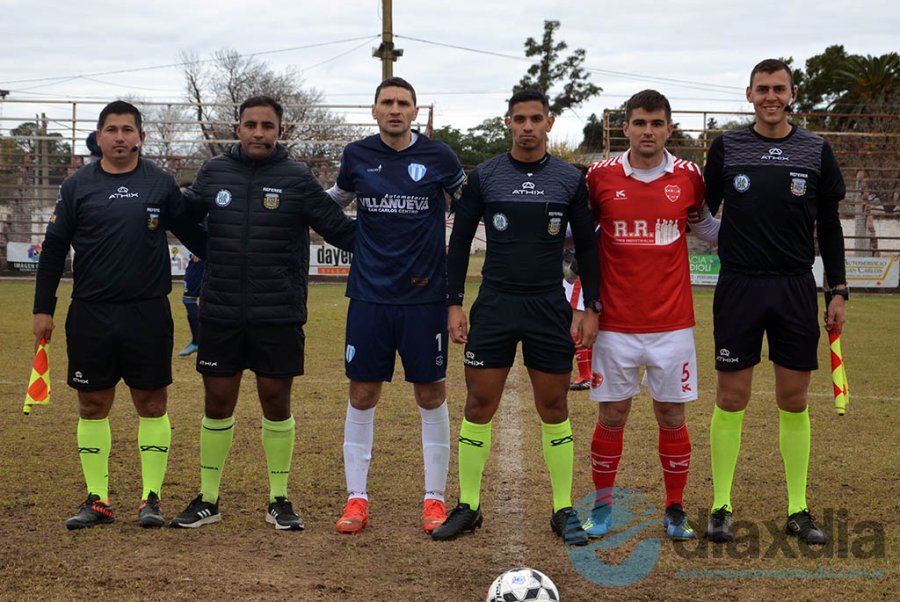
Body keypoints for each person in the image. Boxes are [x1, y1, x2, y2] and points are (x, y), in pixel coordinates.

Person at [169, 96, 356, 531]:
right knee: (217, 403)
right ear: (238, 128)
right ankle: (208, 499)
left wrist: (400, 240)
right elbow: (184, 216)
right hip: (221, 310)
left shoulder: (296, 178)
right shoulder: (215, 172)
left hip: (278, 312)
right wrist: (206, 249)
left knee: (276, 403)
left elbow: (341, 230)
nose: (258, 132)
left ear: (279, 131)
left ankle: (278, 499)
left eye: (267, 126)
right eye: (251, 124)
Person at [431, 89, 600, 545]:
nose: (527, 126)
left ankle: (563, 509)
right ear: (507, 122)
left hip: (548, 305)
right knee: (478, 404)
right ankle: (468, 505)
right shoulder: (485, 176)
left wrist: (590, 306)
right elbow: (459, 242)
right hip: (496, 303)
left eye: (535, 119)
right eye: (519, 119)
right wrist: (453, 302)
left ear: (549, 122)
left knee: (555, 406)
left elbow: (587, 245)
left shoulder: (570, 178)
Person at [32, 100, 206, 529]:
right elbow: (54, 248)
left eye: (128, 130)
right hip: (91, 312)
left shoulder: (160, 184)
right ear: (99, 137)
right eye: (112, 129)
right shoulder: (77, 187)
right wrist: (43, 307)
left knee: (151, 402)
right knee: (92, 404)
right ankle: (98, 499)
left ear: (141, 137)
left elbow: (196, 237)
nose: (120, 137)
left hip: (146, 313)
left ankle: (151, 499)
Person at [703, 59, 847, 545]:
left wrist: (838, 290)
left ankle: (798, 509)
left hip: (793, 286)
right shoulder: (726, 148)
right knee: (731, 398)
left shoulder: (815, 150)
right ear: (749, 95)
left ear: (792, 94)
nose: (771, 97)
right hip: (739, 285)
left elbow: (828, 225)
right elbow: (698, 211)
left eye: (778, 89)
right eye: (762, 89)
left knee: (794, 399)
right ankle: (721, 505)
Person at [326, 77, 466, 535]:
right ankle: (357, 498)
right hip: (369, 297)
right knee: (363, 392)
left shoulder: (439, 157)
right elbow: (333, 205)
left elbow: (469, 209)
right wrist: (350, 238)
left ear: (415, 110)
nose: (395, 110)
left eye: (403, 103)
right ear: (374, 110)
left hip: (425, 299)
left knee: (431, 392)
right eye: (387, 102)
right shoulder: (356, 156)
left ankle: (434, 500)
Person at [581, 90, 719, 542]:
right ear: (626, 127)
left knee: (672, 416)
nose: (648, 131)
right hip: (615, 324)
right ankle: (602, 509)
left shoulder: (689, 177)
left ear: (669, 129)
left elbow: (706, 229)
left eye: (657, 123)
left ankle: (675, 509)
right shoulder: (599, 178)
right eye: (640, 123)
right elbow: (576, 237)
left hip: (672, 324)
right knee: (613, 414)